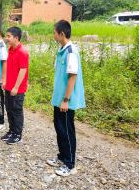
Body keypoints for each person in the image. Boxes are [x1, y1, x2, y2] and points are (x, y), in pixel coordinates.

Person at [46, 20, 85, 177]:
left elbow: (72, 77)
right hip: (59, 98)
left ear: (62, 34)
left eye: (55, 32)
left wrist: (66, 99)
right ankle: (62, 156)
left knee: (67, 130)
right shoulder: (62, 49)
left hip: (66, 100)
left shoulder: (71, 52)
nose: (53, 35)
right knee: (59, 127)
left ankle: (70, 164)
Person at [1, 27, 29, 145]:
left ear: (16, 38)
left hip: (17, 89)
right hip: (9, 86)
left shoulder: (23, 52)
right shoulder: (10, 49)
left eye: (8, 36)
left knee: (17, 110)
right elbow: (8, 66)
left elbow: (23, 70)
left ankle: (18, 134)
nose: (6, 38)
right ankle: (11, 131)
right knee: (9, 109)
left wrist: (16, 87)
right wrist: (5, 80)